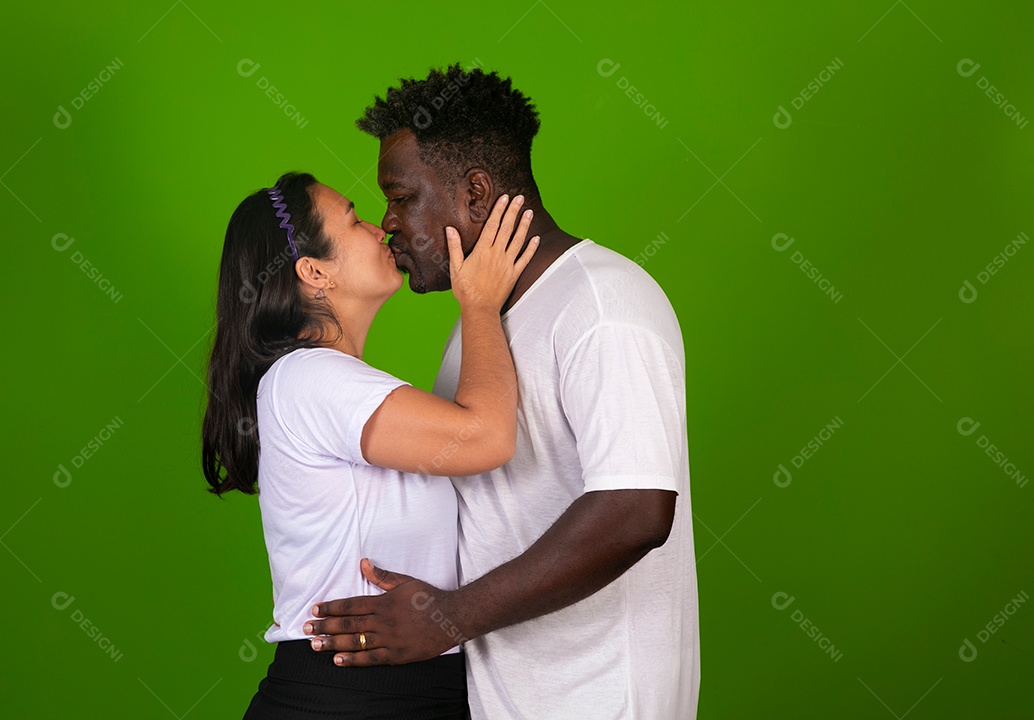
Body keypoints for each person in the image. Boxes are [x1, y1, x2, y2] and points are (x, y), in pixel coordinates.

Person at [304, 65, 700, 719]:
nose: (388, 222)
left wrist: (449, 616)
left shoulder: (604, 304)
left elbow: (636, 511)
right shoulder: (479, 325)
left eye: (402, 197)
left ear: (477, 192)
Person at [200, 171, 539, 719]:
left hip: (405, 690)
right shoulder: (307, 378)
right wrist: (478, 303)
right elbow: (486, 437)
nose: (381, 228)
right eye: (355, 219)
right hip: (347, 697)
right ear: (313, 272)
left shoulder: (333, 384)